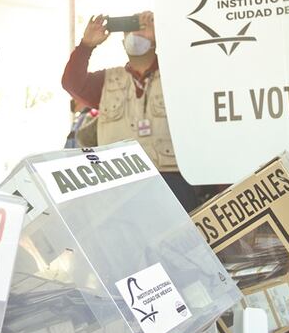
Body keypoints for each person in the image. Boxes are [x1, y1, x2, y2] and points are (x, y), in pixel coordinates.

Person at [62, 12, 203, 211]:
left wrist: (168, 29)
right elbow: (72, 83)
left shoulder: (178, 75)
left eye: (145, 27)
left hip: (170, 183)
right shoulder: (107, 80)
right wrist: (86, 45)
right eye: (131, 27)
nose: (137, 32)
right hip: (118, 185)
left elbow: (202, 62)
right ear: (123, 42)